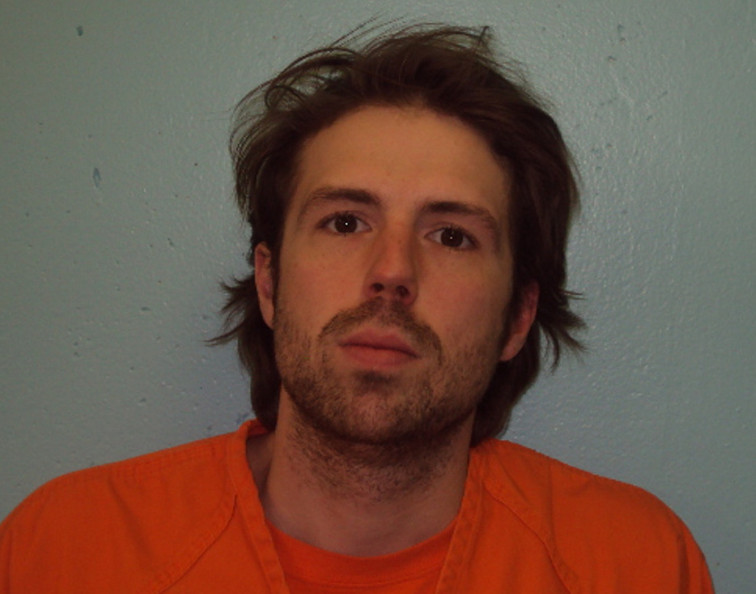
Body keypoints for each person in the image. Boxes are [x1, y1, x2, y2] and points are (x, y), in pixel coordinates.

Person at [0, 25, 714, 593]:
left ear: (518, 319)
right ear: (270, 282)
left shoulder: (634, 566)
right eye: (345, 222)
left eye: (451, 236)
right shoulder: (63, 552)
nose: (392, 272)